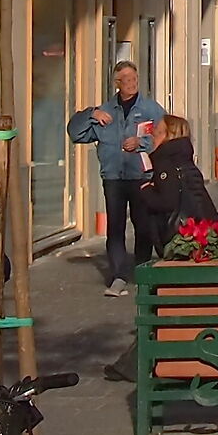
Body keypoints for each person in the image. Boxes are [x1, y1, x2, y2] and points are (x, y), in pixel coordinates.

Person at [69, 60, 165, 296]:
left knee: (143, 227)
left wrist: (141, 143)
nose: (132, 84)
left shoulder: (151, 109)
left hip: (141, 176)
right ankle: (119, 276)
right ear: (117, 83)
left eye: (134, 79)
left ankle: (143, 273)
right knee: (115, 227)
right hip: (113, 177)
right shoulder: (106, 111)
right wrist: (91, 114)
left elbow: (166, 137)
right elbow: (75, 133)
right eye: (127, 80)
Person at [135, 115, 217, 254]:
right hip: (198, 231)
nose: (153, 133)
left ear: (168, 136)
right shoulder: (183, 159)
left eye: (158, 131)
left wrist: (146, 190)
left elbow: (167, 202)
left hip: (180, 238)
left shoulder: (166, 164)